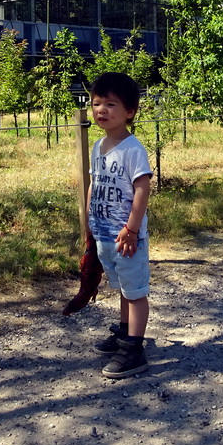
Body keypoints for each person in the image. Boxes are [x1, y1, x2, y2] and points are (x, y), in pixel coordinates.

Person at [85, 71, 153, 378]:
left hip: (127, 235)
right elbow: (93, 183)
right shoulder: (98, 146)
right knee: (122, 287)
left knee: (135, 291)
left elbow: (142, 189)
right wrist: (89, 220)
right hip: (104, 232)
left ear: (130, 111)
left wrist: (132, 229)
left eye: (111, 104)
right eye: (97, 103)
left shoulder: (132, 148)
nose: (101, 110)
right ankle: (125, 332)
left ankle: (133, 349)